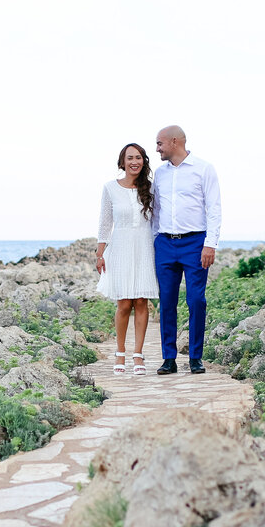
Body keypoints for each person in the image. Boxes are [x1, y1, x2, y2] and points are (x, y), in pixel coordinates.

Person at [151, 125, 220, 375]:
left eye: (160, 143)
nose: (157, 148)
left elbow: (214, 208)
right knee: (167, 302)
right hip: (166, 244)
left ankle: (195, 357)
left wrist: (210, 243)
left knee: (196, 301)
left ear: (174, 141)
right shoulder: (159, 174)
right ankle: (169, 358)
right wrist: (154, 241)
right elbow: (156, 211)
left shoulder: (204, 169)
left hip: (195, 244)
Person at [95, 143, 158, 374]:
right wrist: (99, 253)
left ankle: (138, 355)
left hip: (144, 247)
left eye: (139, 157)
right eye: (130, 157)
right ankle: (119, 353)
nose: (135, 161)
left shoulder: (151, 189)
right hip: (120, 247)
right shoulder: (110, 188)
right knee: (124, 303)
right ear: (122, 162)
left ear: (144, 161)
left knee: (141, 301)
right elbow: (105, 223)